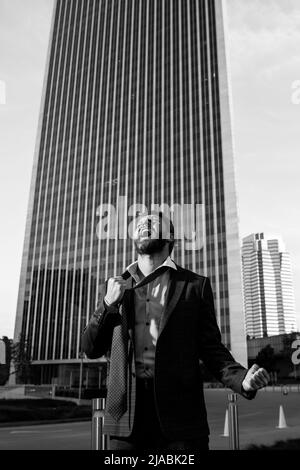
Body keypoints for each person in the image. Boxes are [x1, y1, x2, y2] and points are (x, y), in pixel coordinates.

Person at [82, 211, 269, 451]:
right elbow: (91, 348)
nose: (144, 224)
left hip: (181, 421)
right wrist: (107, 305)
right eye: (140, 223)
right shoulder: (114, 287)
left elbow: (211, 349)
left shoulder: (194, 286)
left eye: (153, 223)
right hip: (125, 421)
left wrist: (242, 379)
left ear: (171, 239)